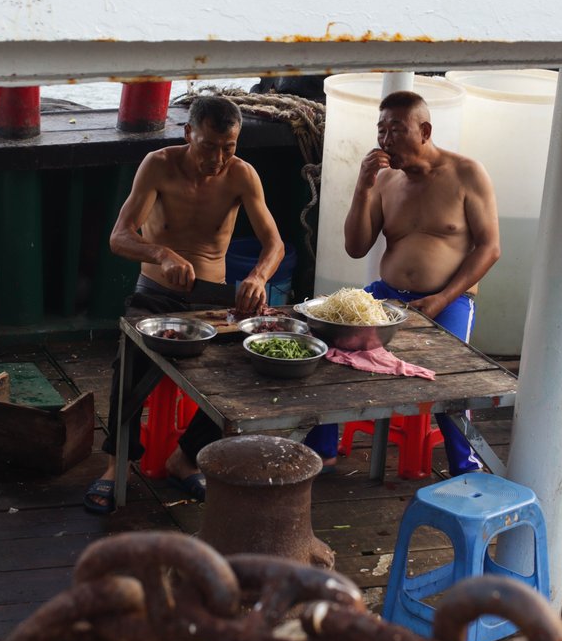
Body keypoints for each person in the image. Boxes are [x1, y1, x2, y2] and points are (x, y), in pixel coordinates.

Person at [84, 94, 284, 513]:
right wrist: (161, 254)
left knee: (248, 368)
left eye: (228, 147)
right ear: (188, 132)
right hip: (155, 295)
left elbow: (275, 244)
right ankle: (116, 463)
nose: (217, 159)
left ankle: (185, 458)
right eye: (209, 146)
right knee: (129, 362)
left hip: (212, 300)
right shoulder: (158, 165)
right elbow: (119, 236)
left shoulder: (242, 175)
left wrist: (258, 277)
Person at [303, 90, 501, 475]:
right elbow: (356, 247)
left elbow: (490, 248)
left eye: (397, 129)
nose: (386, 140)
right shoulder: (385, 181)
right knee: (327, 340)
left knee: (449, 371)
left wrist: (442, 298)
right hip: (385, 296)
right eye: (381, 130)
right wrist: (362, 187)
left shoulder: (466, 173)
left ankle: (465, 463)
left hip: (448, 299)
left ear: (424, 130)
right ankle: (321, 447)